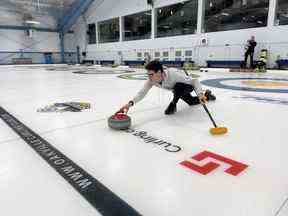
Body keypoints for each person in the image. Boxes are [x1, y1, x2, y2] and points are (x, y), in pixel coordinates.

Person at [117, 60, 216, 115]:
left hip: (186, 85)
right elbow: (142, 93)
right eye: (148, 74)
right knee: (191, 102)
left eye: (151, 74)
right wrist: (129, 104)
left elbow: (194, 81)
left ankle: (173, 104)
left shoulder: (173, 74)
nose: (149, 77)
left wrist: (200, 94)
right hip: (178, 90)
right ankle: (208, 96)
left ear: (159, 72)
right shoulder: (151, 81)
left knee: (178, 87)